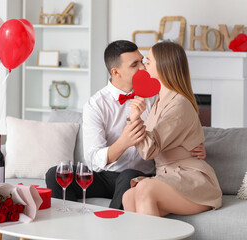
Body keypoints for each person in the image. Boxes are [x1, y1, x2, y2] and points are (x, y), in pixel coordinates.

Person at [45, 40, 205, 210]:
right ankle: (66, 228)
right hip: (104, 175)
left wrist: (194, 145)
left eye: (143, 61)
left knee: (128, 176)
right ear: (116, 72)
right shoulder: (95, 105)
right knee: (54, 174)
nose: (143, 68)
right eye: (135, 64)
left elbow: (180, 123)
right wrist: (123, 143)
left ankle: (112, 229)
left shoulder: (156, 97)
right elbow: (92, 161)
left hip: (140, 175)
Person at [122, 41, 222, 216]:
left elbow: (148, 151)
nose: (144, 65)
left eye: (148, 61)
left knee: (145, 188)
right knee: (129, 196)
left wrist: (135, 118)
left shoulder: (179, 105)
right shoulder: (158, 101)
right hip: (168, 176)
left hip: (192, 180)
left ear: (162, 66)